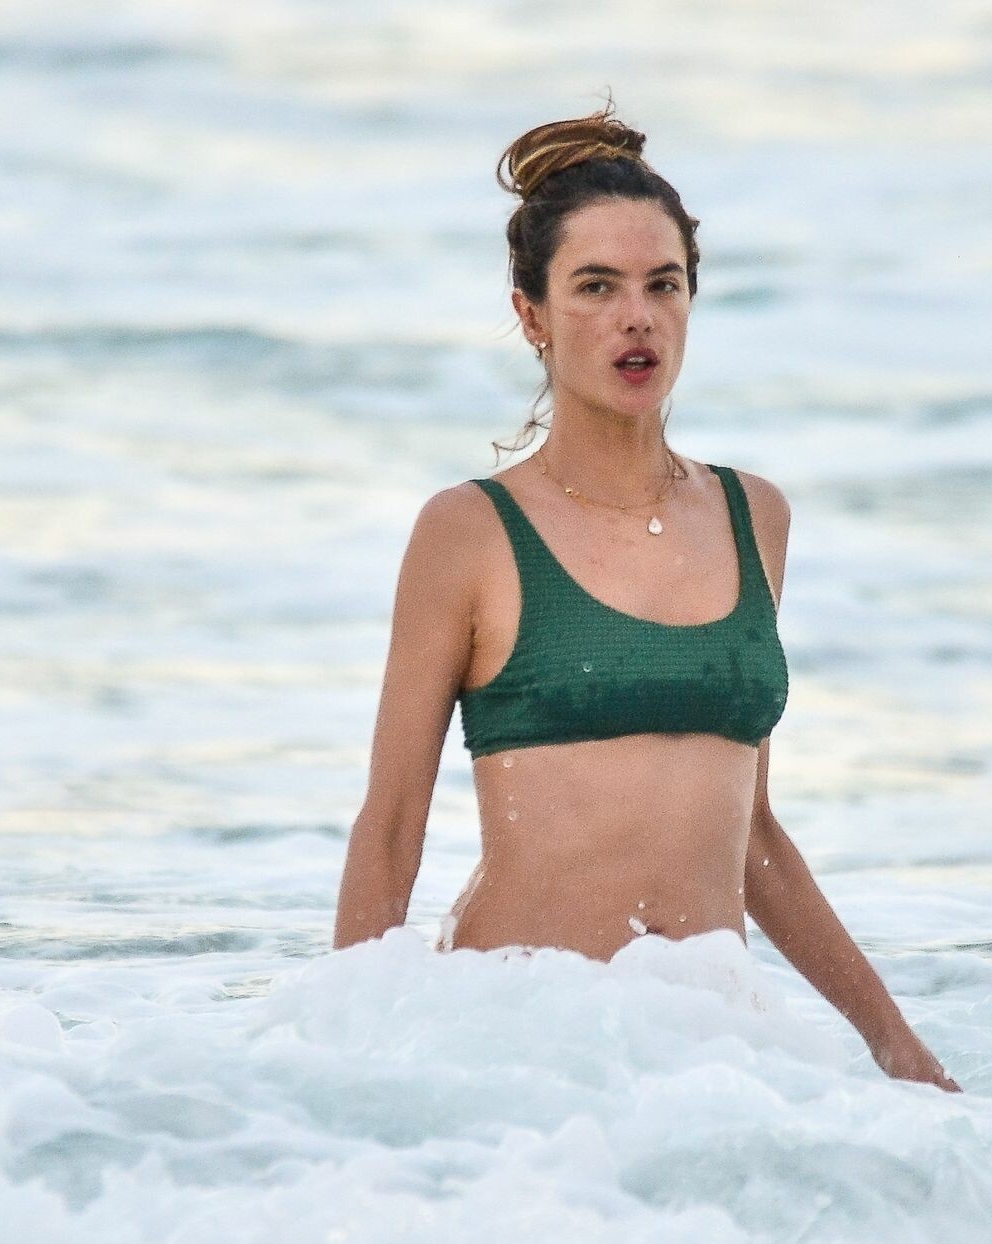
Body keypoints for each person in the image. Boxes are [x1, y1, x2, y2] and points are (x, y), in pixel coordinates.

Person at [333, 96, 959, 1092]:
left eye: (663, 284)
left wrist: (894, 1044)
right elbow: (394, 820)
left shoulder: (755, 517)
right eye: (596, 286)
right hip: (517, 1045)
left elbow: (750, 834)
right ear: (532, 317)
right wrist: (340, 1064)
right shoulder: (469, 531)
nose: (637, 316)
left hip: (713, 1052)